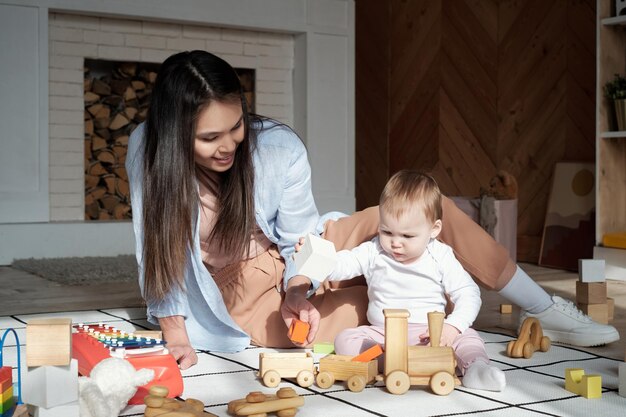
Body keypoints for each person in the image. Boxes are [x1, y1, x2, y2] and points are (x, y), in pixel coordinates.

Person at [125, 50, 619, 370]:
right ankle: (449, 316)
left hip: (298, 253)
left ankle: (544, 308)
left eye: (235, 127)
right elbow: (159, 253)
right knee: (374, 322)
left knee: (426, 212)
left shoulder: (277, 148)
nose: (230, 145)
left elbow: (302, 239)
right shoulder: (148, 153)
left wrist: (299, 287)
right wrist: (175, 333)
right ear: (174, 134)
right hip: (237, 290)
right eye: (209, 138)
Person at [302, 170, 505, 392]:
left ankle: (476, 369)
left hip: (431, 335)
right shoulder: (374, 250)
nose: (395, 243)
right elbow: (343, 264)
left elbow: (468, 293)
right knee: (345, 339)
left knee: (469, 337)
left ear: (434, 229)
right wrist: (315, 258)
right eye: (387, 231)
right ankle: (393, 363)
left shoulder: (441, 256)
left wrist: (453, 326)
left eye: (407, 236)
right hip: (383, 337)